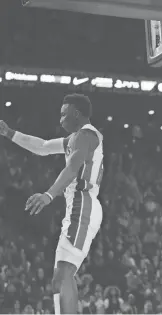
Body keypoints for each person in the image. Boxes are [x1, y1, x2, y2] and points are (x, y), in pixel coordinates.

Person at [0, 93, 104, 314]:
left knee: (62, 276)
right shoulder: (75, 138)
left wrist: (48, 195)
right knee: (62, 278)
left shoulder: (85, 136)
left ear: (76, 114)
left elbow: (72, 167)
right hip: (78, 206)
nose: (60, 120)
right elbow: (43, 146)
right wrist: (10, 134)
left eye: (63, 114)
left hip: (82, 204)